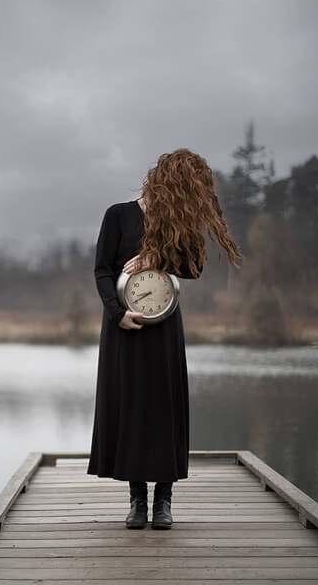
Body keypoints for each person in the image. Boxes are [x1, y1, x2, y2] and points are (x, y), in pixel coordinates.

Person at [86, 148, 243, 530]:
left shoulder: (179, 223)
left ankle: (164, 502)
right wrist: (117, 313)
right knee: (131, 409)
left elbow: (194, 268)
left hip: (165, 328)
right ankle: (137, 501)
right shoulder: (118, 214)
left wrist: (154, 258)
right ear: (166, 182)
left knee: (164, 410)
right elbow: (102, 270)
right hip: (123, 326)